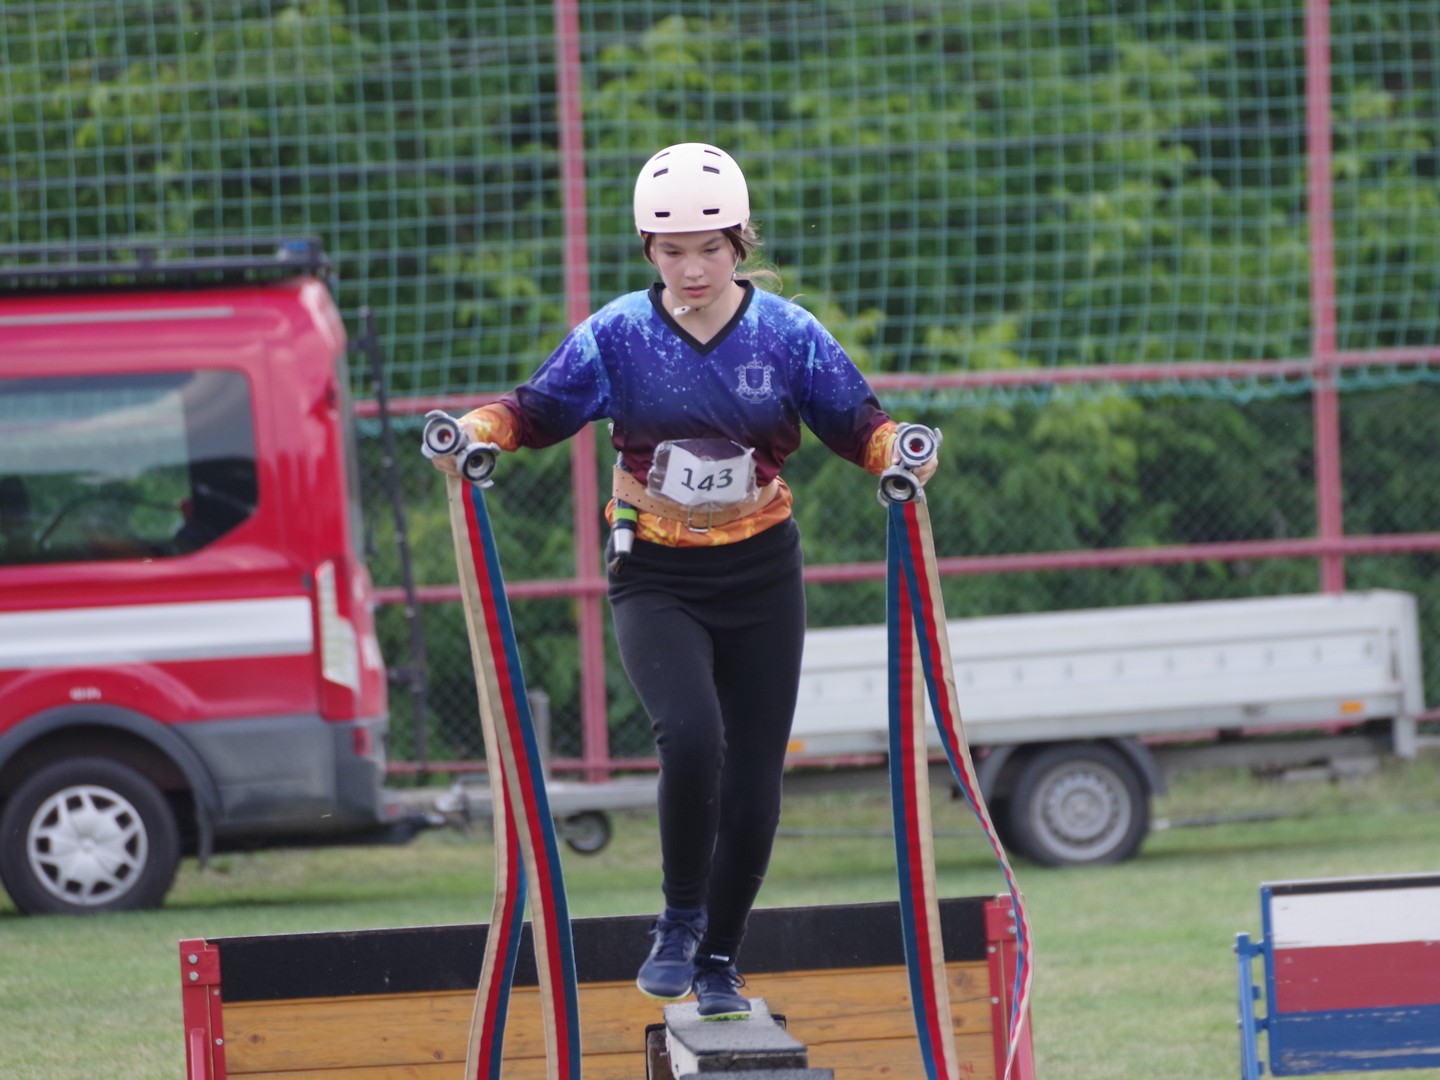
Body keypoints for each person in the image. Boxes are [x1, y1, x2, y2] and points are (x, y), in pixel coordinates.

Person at [431, 142, 937, 1020]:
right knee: (693, 736)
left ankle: (720, 959)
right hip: (656, 570)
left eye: (709, 248)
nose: (692, 269)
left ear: (740, 242)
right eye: (672, 251)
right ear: (648, 250)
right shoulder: (619, 334)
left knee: (755, 778)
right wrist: (473, 431)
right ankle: (678, 919)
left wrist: (905, 450)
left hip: (761, 571)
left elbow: (861, 425)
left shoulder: (788, 335)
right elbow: (531, 411)